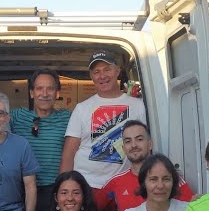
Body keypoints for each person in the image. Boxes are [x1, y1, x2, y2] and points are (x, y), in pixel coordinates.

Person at [60, 50, 147, 190]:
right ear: (91, 76)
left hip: (123, 184)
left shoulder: (138, 105)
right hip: (86, 185)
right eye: (96, 72)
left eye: (107, 69)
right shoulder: (81, 108)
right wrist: (64, 188)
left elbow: (146, 146)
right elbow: (69, 152)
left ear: (117, 71)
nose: (102, 76)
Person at [96, 121, 195, 211]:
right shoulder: (115, 182)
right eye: (128, 141)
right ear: (123, 148)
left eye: (139, 139)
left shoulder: (169, 178)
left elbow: (193, 209)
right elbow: (91, 208)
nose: (134, 145)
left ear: (150, 144)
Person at [11, 69, 72, 211]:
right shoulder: (17, 116)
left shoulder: (68, 118)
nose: (44, 94)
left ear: (57, 93)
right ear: (32, 93)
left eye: (50, 89)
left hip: (54, 191)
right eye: (39, 88)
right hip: (21, 191)